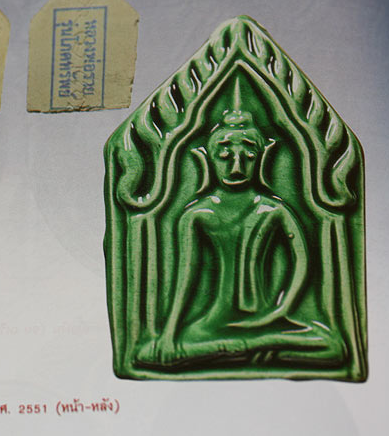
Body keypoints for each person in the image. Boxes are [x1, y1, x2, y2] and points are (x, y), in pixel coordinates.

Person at [146, 104, 344, 367]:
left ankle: (235, 350)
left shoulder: (273, 210)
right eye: (224, 156)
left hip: (266, 321)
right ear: (207, 159)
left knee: (333, 346)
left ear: (261, 158)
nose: (236, 167)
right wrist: (170, 333)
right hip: (214, 323)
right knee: (153, 352)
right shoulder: (197, 215)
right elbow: (187, 276)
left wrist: (281, 311)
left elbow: (302, 263)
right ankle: (256, 349)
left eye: (248, 157)